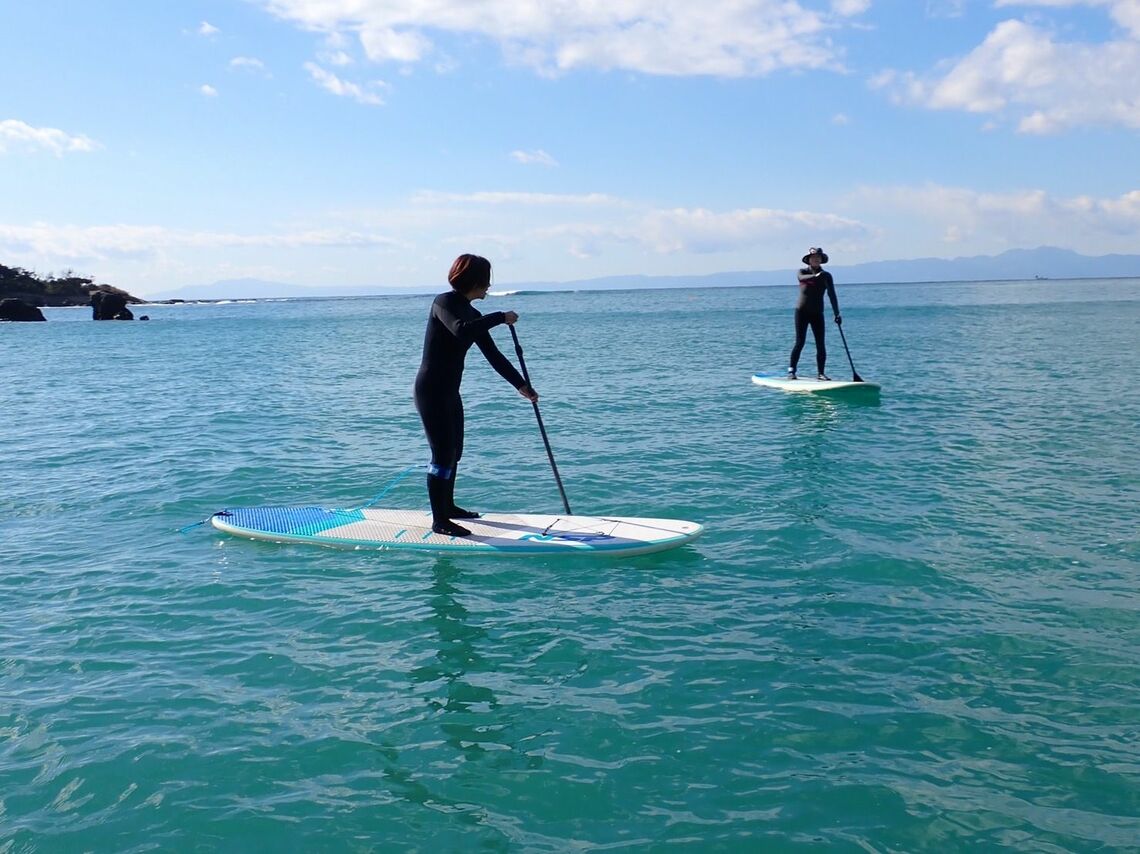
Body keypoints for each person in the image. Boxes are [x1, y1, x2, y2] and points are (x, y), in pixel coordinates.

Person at [414, 254, 538, 537]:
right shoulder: (443, 303)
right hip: (430, 391)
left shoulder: (474, 315)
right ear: (475, 281)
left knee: (454, 452)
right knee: (442, 454)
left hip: (449, 392)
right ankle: (439, 520)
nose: (489, 286)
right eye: (486, 280)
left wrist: (521, 386)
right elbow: (460, 330)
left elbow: (494, 356)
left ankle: (449, 506)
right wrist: (501, 317)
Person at [789, 247, 842, 380]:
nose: (816, 259)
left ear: (822, 260)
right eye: (813, 257)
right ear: (809, 260)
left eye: (818, 257)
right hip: (801, 312)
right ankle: (791, 371)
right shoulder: (802, 272)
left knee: (820, 343)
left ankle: (821, 373)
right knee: (800, 342)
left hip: (817, 313)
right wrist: (817, 276)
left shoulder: (826, 276)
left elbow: (832, 295)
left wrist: (837, 313)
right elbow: (802, 278)